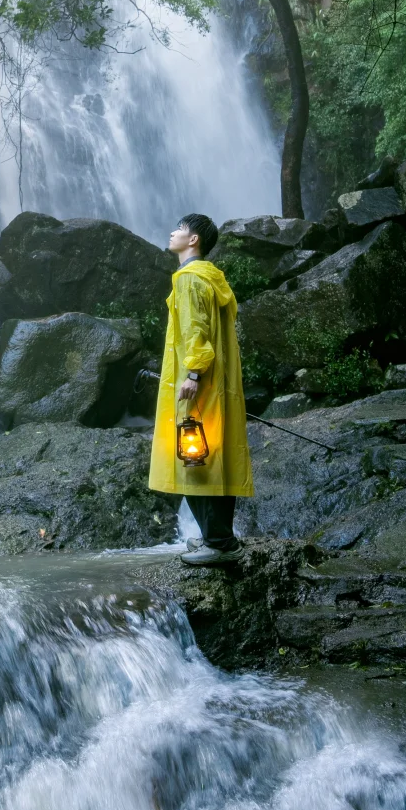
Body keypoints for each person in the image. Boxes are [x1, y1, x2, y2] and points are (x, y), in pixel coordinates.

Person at [148, 212, 252, 566]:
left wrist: (192, 374)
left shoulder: (190, 280)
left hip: (199, 383)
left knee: (194, 456)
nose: (173, 232)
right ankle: (220, 537)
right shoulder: (210, 278)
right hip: (216, 385)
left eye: (179, 229)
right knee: (211, 454)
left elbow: (196, 331)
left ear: (193, 240)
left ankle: (220, 543)